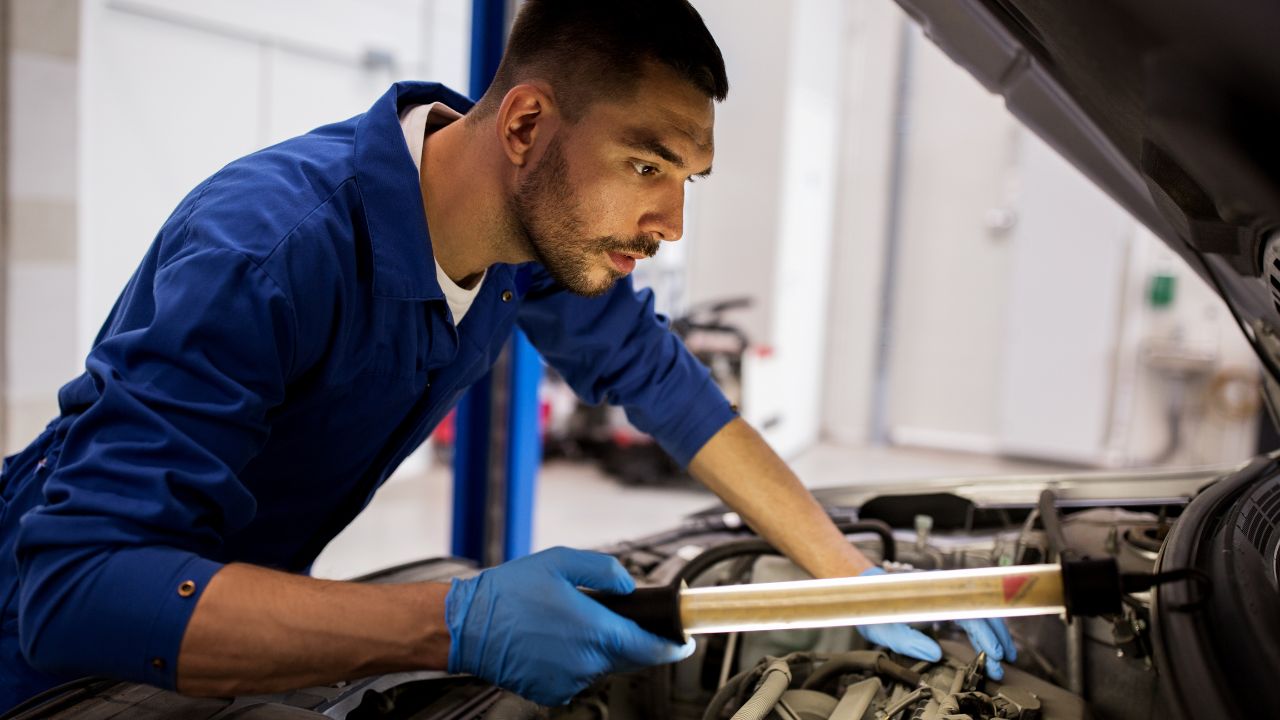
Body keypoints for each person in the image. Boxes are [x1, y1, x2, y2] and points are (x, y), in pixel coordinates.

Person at [0, 0, 1014, 710]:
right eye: (643, 162)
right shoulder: (266, 249)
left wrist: (845, 575)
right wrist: (455, 624)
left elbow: (671, 391)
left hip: (218, 618)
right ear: (526, 122)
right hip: (42, 673)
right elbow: (77, 589)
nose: (666, 221)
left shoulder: (521, 250)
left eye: (686, 178)